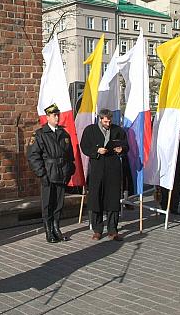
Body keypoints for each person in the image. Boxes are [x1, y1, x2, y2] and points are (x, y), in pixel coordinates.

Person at [26, 103, 76, 243]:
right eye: (54, 115)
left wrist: (70, 169)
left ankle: (56, 227)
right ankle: (48, 230)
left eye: (58, 114)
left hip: (61, 173)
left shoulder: (63, 133)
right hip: (48, 173)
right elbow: (33, 156)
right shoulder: (40, 134)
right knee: (48, 203)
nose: (57, 117)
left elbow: (69, 154)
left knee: (59, 203)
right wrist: (42, 174)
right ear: (47, 117)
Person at [80, 109, 129, 241]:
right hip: (97, 168)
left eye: (109, 121)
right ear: (100, 119)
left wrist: (121, 150)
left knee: (113, 199)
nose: (108, 123)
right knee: (96, 198)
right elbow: (84, 147)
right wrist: (96, 150)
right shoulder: (90, 130)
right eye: (105, 121)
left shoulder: (118, 130)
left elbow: (126, 146)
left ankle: (113, 229)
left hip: (113, 169)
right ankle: (97, 229)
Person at [158, 125, 180, 215]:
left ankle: (174, 208)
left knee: (176, 189)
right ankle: (164, 207)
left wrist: (179, 166)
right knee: (164, 188)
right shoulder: (164, 140)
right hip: (165, 168)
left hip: (176, 168)